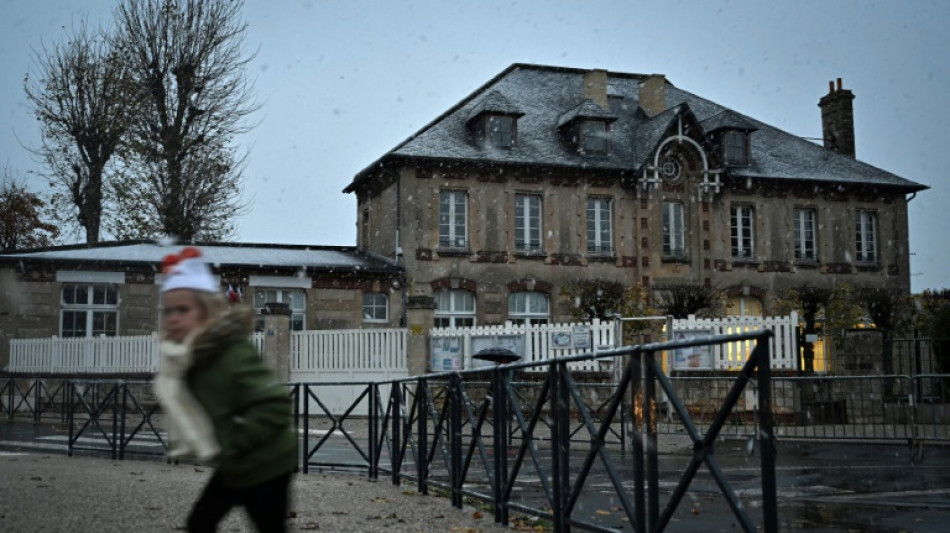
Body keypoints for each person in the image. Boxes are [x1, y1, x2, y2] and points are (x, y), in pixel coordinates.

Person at [154, 246, 297, 532]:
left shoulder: (231, 351)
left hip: (266, 464)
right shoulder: (191, 355)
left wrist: (234, 440)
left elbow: (276, 404)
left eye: (183, 310)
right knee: (200, 523)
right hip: (235, 466)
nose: (173, 318)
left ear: (207, 312)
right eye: (168, 310)